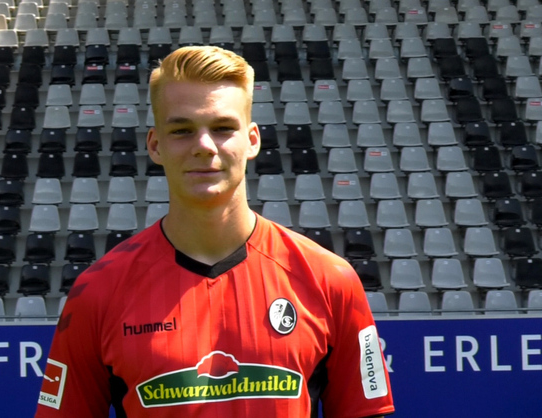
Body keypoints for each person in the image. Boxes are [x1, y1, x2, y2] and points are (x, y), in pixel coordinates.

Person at [36, 46, 394, 417]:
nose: (204, 146)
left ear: (252, 140)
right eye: (182, 130)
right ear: (155, 145)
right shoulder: (98, 292)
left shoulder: (330, 280)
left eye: (223, 128)